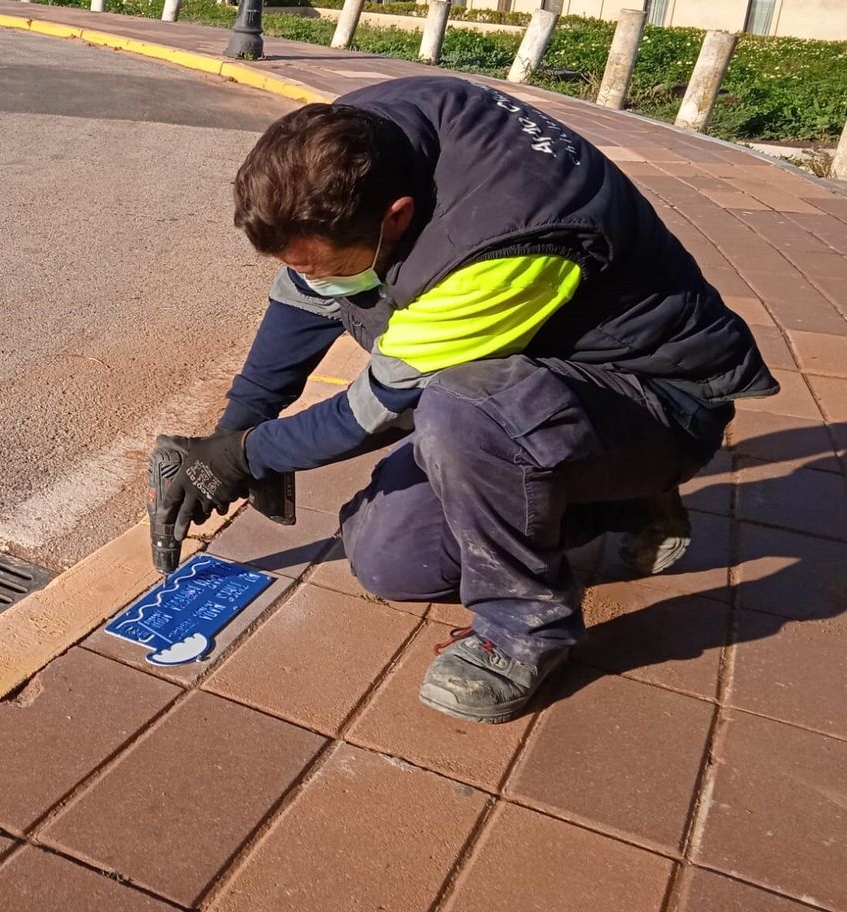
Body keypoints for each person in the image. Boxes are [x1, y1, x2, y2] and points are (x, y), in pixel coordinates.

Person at [153, 75, 775, 724]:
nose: (316, 279)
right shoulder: (358, 144)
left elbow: (376, 408)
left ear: (396, 217)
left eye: (326, 266)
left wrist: (245, 456)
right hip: (537, 385)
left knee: (460, 407)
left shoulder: (505, 244)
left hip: (655, 398)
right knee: (393, 560)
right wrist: (234, 428)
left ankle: (527, 631)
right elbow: (307, 294)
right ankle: (603, 496)